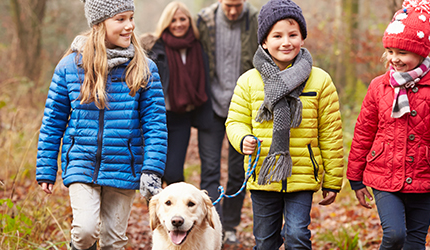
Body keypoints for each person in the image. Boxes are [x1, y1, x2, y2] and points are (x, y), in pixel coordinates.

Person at [35, 0, 167, 249]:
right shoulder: (70, 67)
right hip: (82, 163)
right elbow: (53, 121)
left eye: (131, 18)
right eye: (120, 19)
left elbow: (155, 124)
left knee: (113, 240)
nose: (130, 26)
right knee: (85, 231)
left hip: (124, 166)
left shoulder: (144, 68)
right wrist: (46, 167)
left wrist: (152, 170)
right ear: (98, 24)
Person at [225, 0, 345, 248]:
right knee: (265, 241)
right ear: (264, 42)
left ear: (302, 37)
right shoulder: (248, 81)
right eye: (277, 35)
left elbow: (331, 134)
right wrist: (242, 138)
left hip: (302, 173)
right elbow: (235, 121)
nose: (286, 42)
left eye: (293, 34)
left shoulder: (320, 80)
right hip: (263, 173)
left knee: (297, 236)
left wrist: (332, 180)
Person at [346, 0, 430, 249]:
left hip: (423, 177)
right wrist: (355, 176)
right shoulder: (379, 86)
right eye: (390, 52)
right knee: (395, 235)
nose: (394, 60)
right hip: (384, 176)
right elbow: (364, 130)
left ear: (421, 53)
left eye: (402, 53)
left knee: (415, 242)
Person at [196, 0, 258, 244]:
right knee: (210, 168)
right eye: (228, 5)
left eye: (238, 5)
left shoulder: (255, 19)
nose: (233, 11)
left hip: (243, 107)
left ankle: (229, 225)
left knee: (237, 170)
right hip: (210, 105)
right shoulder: (204, 20)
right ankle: (210, 223)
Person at [147, 1, 214, 195]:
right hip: (156, 118)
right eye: (173, 20)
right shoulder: (156, 48)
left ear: (189, 21)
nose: (178, 24)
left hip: (180, 118)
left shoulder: (197, 47)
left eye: (182, 19)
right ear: (166, 22)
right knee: (155, 172)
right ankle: (159, 216)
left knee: (174, 172)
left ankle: (181, 207)